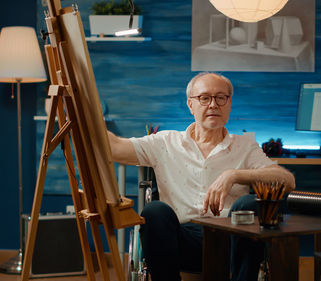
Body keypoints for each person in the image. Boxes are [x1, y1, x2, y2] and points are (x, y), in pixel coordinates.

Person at [107, 72, 295, 281]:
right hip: (181, 241)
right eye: (204, 98)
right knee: (154, 210)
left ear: (229, 103)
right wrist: (83, 112)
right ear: (190, 105)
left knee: (250, 203)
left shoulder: (245, 146)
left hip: (233, 241)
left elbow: (286, 181)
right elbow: (113, 147)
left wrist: (233, 175)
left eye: (220, 97)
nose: (213, 104)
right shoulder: (164, 142)